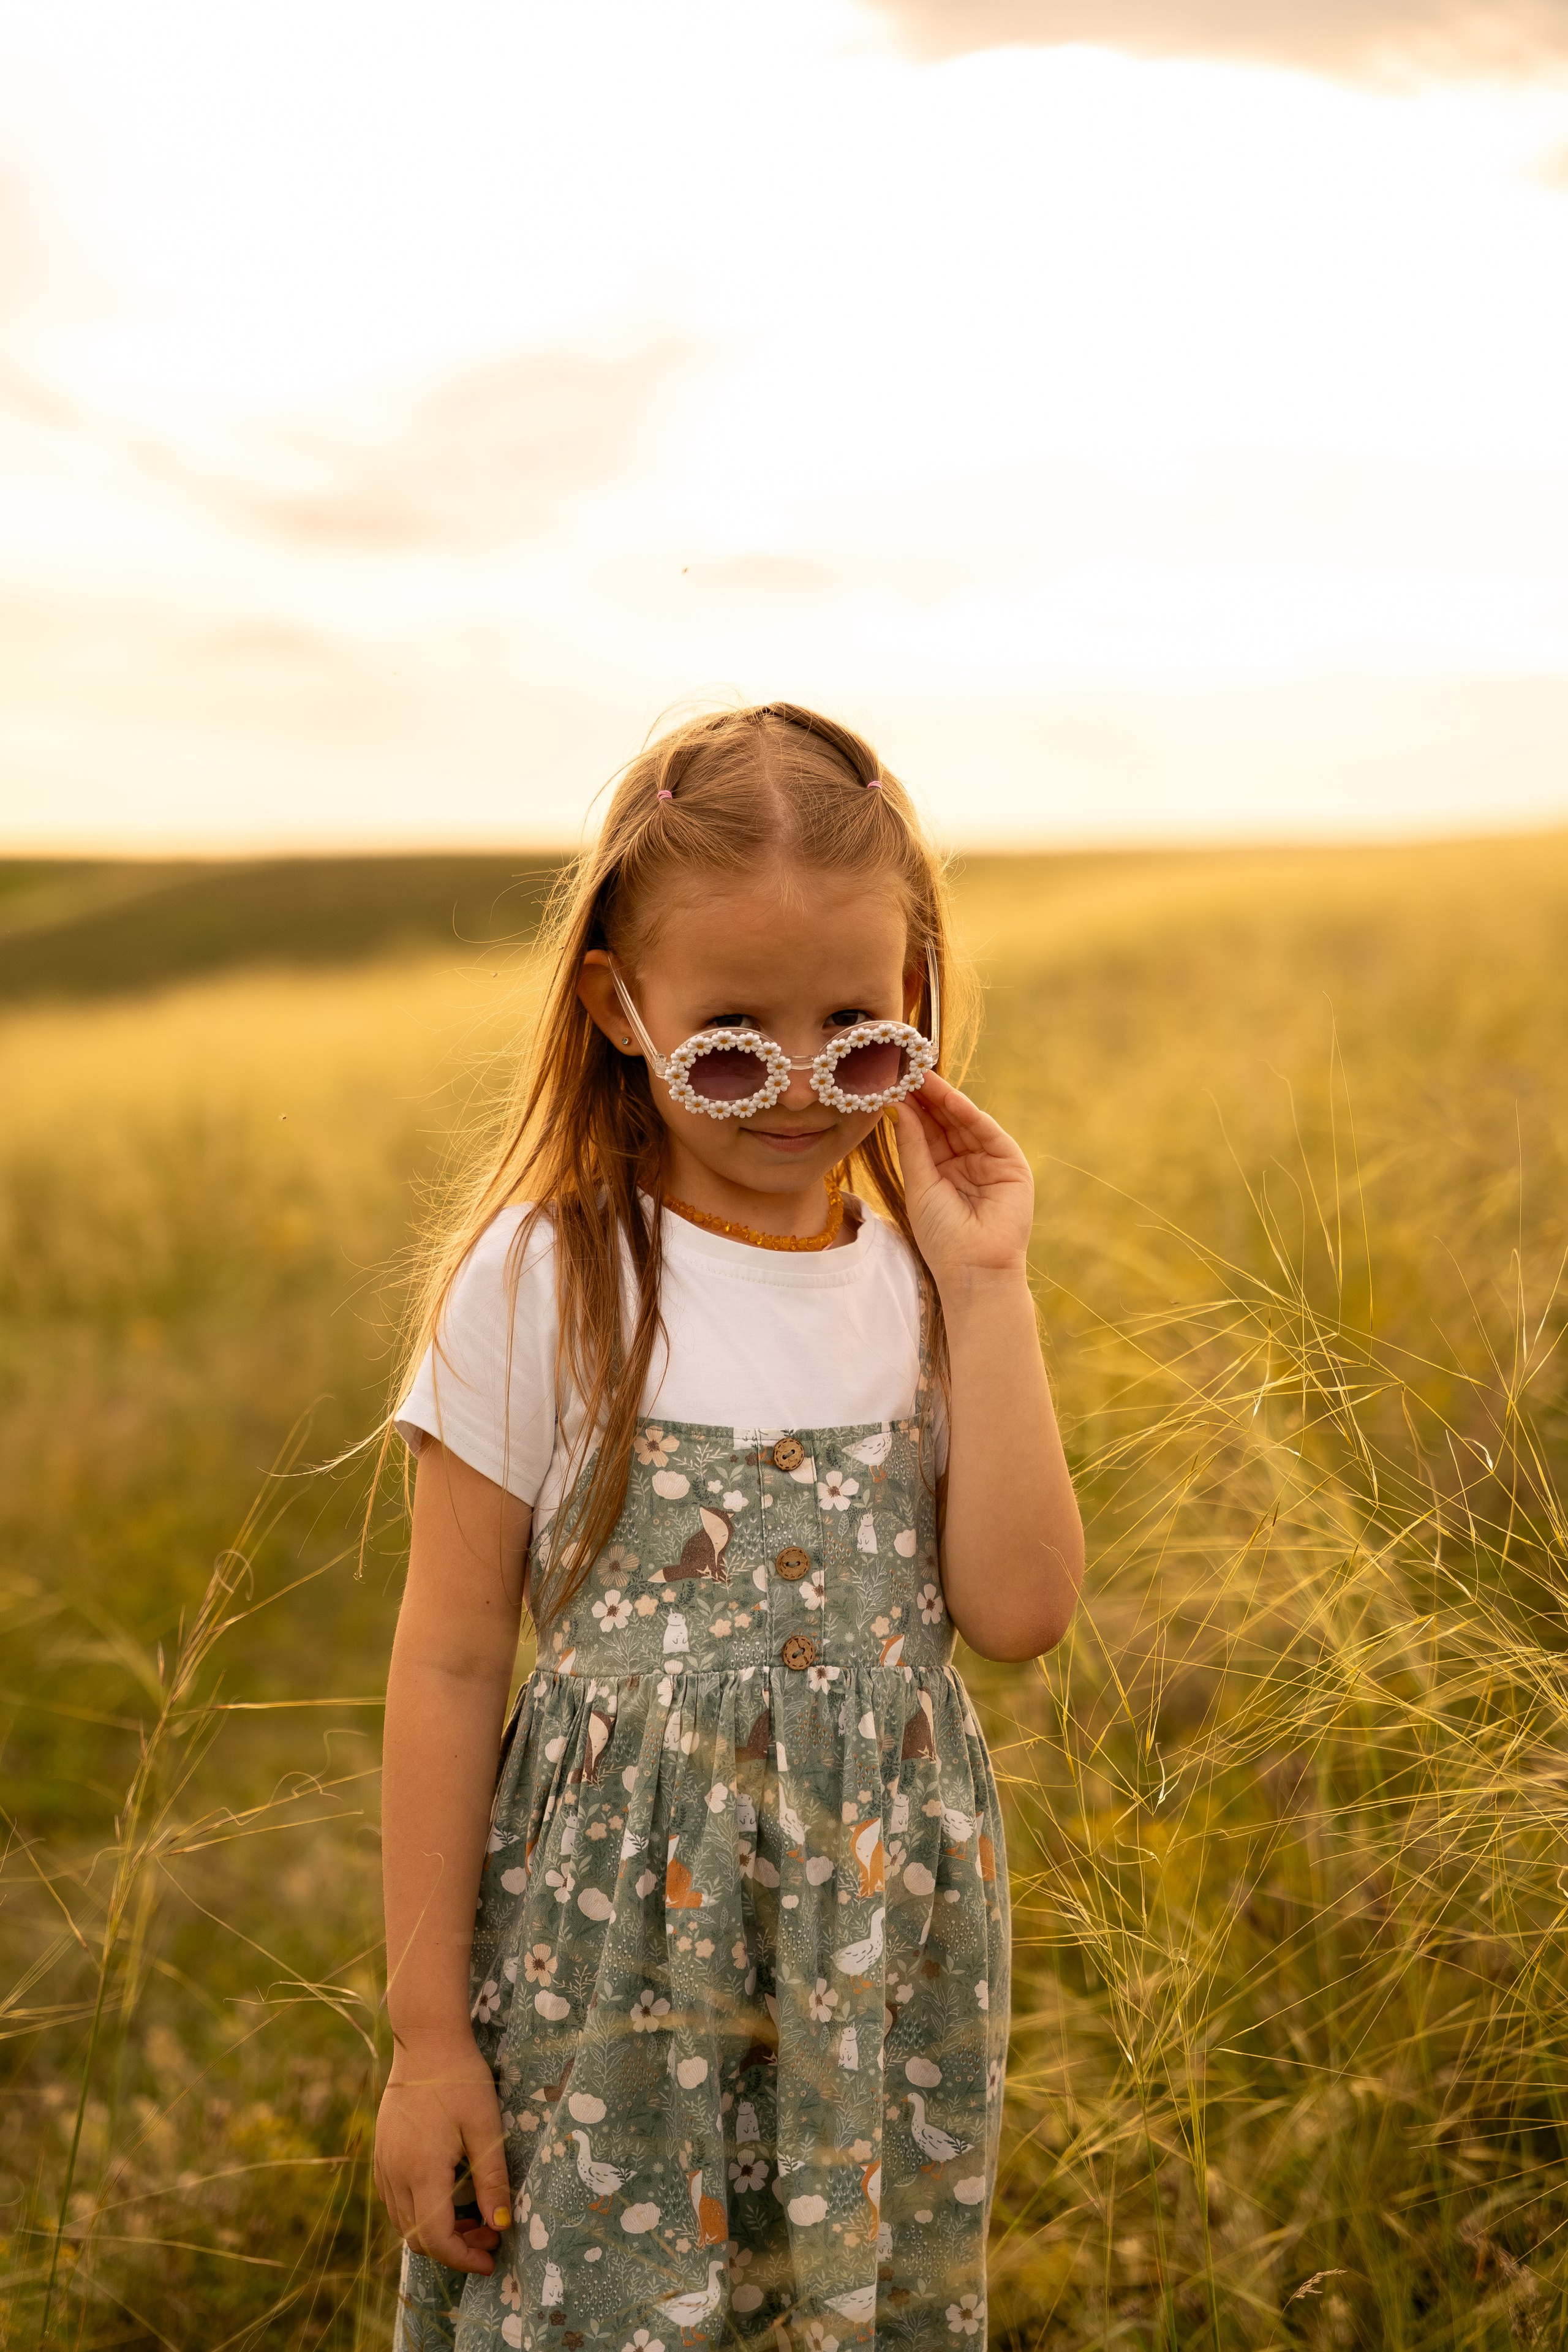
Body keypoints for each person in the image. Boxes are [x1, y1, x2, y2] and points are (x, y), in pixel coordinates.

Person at [374, 704, 1083, 2350]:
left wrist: (991, 1284)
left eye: (859, 1036)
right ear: (617, 1011)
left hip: (872, 1958)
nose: (799, 1090)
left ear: (918, 1000)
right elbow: (452, 1659)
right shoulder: (545, 1280)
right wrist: (427, 2038)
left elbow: (1022, 1610)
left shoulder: (926, 1288)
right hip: (611, 1959)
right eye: (731, 1044)